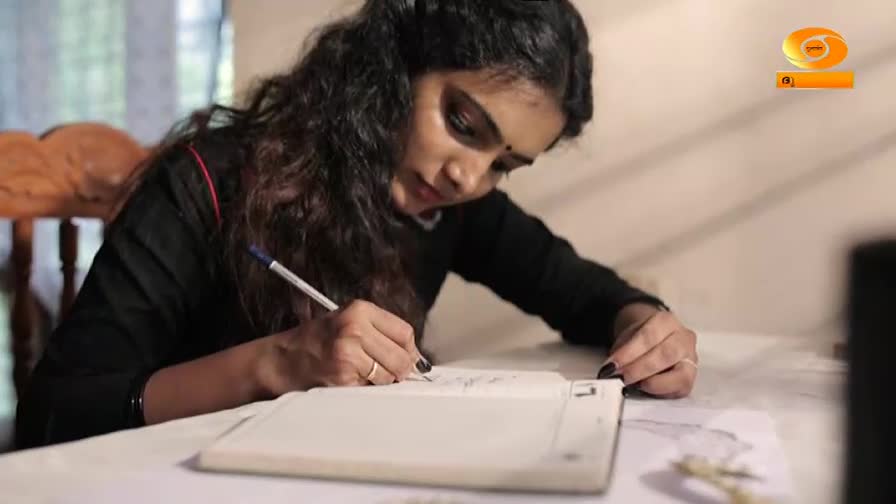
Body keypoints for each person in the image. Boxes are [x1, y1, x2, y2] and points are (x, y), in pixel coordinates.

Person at [15, 0, 698, 448]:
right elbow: (62, 411)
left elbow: (580, 293)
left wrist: (645, 323)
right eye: (462, 123)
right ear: (392, 69)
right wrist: (277, 361)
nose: (470, 176)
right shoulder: (207, 182)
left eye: (505, 164)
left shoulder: (451, 205)